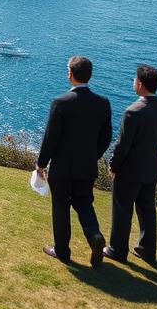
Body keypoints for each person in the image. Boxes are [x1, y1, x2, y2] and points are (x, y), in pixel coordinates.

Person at [36, 56, 112, 268]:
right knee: (84, 202)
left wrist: (41, 164)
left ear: (70, 74)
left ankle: (62, 250)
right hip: (87, 167)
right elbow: (106, 137)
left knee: (61, 207)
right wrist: (92, 156)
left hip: (62, 168)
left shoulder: (61, 102)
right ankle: (95, 235)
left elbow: (50, 138)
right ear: (89, 75)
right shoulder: (103, 103)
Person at [104, 65, 157, 265]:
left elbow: (122, 145)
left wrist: (113, 166)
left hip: (130, 171)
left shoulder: (132, 111)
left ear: (140, 84)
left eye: (134, 79)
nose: (133, 82)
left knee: (122, 210)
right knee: (147, 211)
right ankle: (146, 251)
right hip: (152, 167)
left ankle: (117, 250)